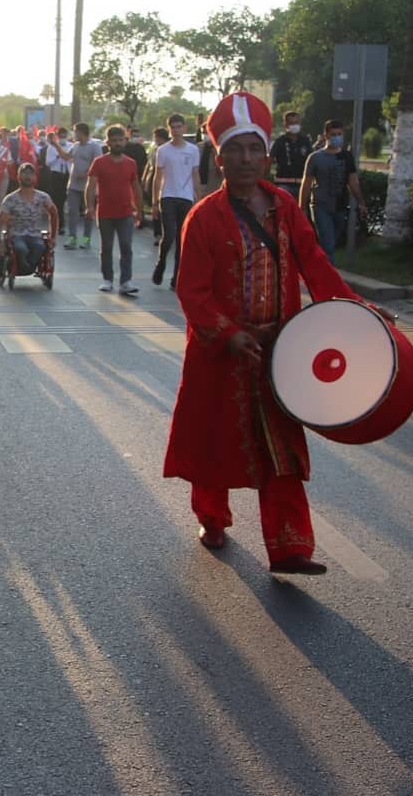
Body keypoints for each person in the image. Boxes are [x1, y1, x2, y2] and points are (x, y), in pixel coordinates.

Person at [164, 91, 363, 575]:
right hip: (221, 355)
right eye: (236, 150)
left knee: (283, 451)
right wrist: (227, 332)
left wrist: (356, 312)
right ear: (220, 157)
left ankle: (291, 546)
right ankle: (212, 519)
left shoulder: (284, 208)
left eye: (254, 149)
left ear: (267, 156)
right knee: (215, 446)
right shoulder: (203, 217)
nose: (246, 159)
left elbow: (315, 264)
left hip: (279, 353)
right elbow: (191, 291)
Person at [84, 125, 143, 294]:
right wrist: (89, 206)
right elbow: (90, 185)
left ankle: (126, 281)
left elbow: (136, 186)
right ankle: (107, 279)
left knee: (126, 246)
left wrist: (139, 210)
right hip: (105, 213)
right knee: (107, 247)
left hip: (125, 213)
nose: (118, 143)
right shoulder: (99, 162)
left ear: (125, 141)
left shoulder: (131, 164)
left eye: (121, 140)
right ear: (108, 142)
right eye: (114, 141)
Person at [299, 119, 364, 262]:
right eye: (333, 134)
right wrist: (302, 207)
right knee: (327, 244)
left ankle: (317, 266)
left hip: (340, 206)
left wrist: (361, 202)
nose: (337, 137)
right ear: (326, 135)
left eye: (339, 134)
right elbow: (307, 183)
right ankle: (329, 279)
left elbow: (352, 181)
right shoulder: (315, 158)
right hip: (320, 206)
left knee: (332, 242)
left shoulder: (346, 157)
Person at [151, 113, 201, 289]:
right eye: (173, 127)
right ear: (169, 129)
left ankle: (176, 277)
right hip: (168, 196)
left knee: (182, 238)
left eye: (179, 126)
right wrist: (154, 201)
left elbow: (195, 174)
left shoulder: (193, 150)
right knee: (170, 235)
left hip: (186, 197)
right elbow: (158, 177)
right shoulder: (163, 150)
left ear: (184, 128)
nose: (176, 130)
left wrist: (198, 198)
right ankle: (161, 262)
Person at [0, 162, 57, 276]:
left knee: (40, 246)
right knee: (21, 248)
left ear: (35, 177)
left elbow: (54, 214)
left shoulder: (43, 197)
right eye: (24, 173)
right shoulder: (11, 199)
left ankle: (29, 268)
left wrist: (53, 237)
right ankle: (24, 268)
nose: (27, 176)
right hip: (17, 235)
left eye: (30, 174)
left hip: (35, 235)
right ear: (18, 177)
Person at [64, 123, 101, 249]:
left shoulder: (94, 147)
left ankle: (86, 239)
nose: (74, 134)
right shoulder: (75, 146)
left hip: (88, 187)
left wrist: (86, 174)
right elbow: (66, 157)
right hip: (73, 186)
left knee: (88, 214)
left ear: (81, 132)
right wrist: (55, 144)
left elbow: (98, 165)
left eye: (75, 132)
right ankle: (72, 239)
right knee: (72, 213)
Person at [269, 111, 308, 197]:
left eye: (296, 122)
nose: (294, 125)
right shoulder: (279, 141)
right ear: (285, 125)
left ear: (300, 123)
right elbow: (269, 161)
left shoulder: (305, 141)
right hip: (283, 185)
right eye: (291, 123)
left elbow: (311, 160)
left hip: (301, 184)